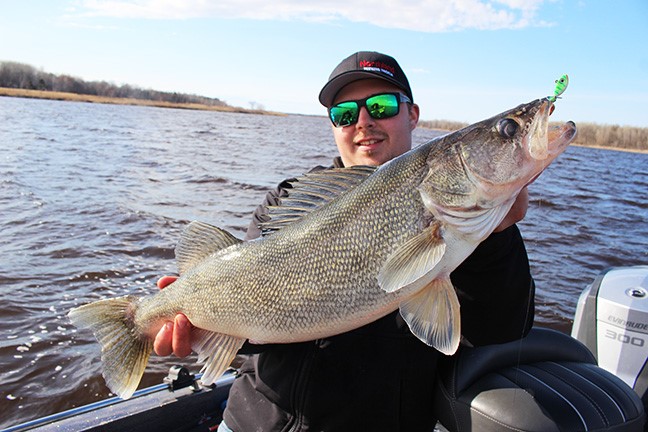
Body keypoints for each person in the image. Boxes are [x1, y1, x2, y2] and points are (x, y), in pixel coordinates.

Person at [154, 51, 535, 431]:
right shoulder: (286, 200)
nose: (364, 122)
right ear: (334, 126)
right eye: (345, 114)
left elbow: (501, 331)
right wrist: (200, 327)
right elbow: (258, 330)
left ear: (412, 114)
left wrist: (497, 238)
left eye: (382, 105)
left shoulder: (473, 228)